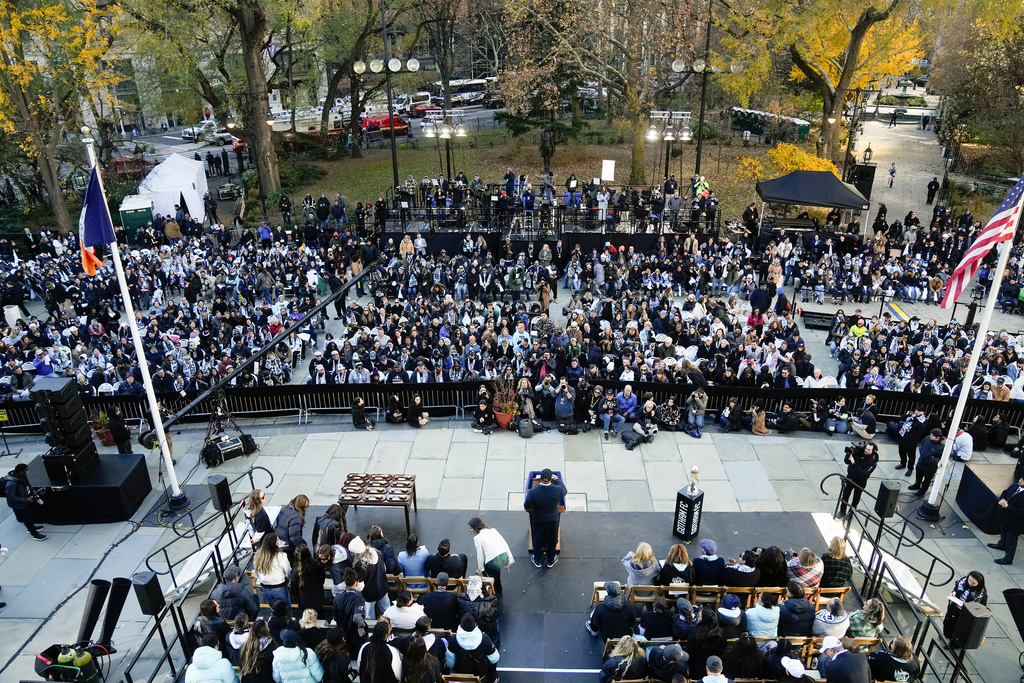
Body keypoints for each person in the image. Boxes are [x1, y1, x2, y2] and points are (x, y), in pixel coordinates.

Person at [523, 468, 566, 568]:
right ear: (551, 479)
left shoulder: (533, 492)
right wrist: (558, 480)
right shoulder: (557, 490)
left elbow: (527, 506)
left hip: (538, 520)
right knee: (552, 539)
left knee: (538, 539)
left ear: (541, 478)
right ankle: (551, 560)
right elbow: (564, 490)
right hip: (552, 520)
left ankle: (537, 560)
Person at [446, 613, 499, 683]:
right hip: (479, 673)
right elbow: (495, 659)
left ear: (461, 625)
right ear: (475, 625)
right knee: (492, 659)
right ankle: (492, 680)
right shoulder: (485, 639)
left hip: (460, 672)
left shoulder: (453, 640)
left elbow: (450, 663)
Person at [468, 517, 513, 595]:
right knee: (496, 573)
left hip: (494, 562)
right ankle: (498, 587)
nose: (470, 531)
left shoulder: (477, 538)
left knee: (488, 575)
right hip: (503, 557)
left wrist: (480, 569)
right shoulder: (493, 530)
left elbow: (480, 556)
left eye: (471, 529)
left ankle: (492, 590)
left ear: (475, 528)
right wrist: (510, 559)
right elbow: (504, 544)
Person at [350, 536, 390, 619]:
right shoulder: (377, 553)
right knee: (386, 610)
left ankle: (371, 630)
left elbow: (360, 586)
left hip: (369, 593)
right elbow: (384, 568)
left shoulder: (359, 565)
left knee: (369, 615)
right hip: (382, 586)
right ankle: (388, 625)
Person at [331, 568, 367, 660]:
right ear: (356, 583)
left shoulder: (337, 597)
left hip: (342, 633)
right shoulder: (358, 599)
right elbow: (357, 618)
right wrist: (363, 625)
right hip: (354, 635)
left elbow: (335, 616)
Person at [5, 463, 45, 540]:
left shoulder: (22, 476)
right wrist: (26, 500)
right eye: (25, 471)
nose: (27, 472)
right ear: (20, 472)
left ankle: (31, 528)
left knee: (28, 517)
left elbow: (28, 484)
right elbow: (11, 498)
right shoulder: (11, 484)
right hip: (17, 504)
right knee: (27, 518)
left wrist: (33, 492)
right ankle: (35, 534)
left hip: (23, 500)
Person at [838, 441, 878, 518]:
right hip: (850, 478)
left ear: (873, 451)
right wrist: (849, 454)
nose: (866, 450)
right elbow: (846, 461)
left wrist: (853, 463)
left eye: (869, 449)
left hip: (860, 482)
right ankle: (842, 512)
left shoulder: (872, 463)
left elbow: (863, 474)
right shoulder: (858, 453)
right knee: (845, 496)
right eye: (866, 448)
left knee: (856, 498)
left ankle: (851, 513)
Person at [991, 477, 1024, 565]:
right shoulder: (1015, 486)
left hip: (1016, 522)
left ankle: (1008, 558)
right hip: (1006, 517)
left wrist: (1007, 506)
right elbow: (1005, 492)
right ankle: (1002, 544)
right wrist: (1002, 499)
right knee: (1003, 531)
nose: (1020, 480)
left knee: (1011, 540)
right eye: (1021, 478)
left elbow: (1021, 512)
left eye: (1023, 480)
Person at [943, 571, 987, 638]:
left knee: (958, 627)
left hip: (966, 612)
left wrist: (965, 608)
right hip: (955, 605)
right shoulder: (963, 581)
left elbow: (979, 606)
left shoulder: (980, 593)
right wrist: (954, 592)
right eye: (969, 580)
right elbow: (956, 587)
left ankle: (953, 641)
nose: (970, 583)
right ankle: (946, 635)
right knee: (948, 621)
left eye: (973, 583)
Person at [254, 533, 291, 609]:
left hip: (265, 587)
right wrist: (288, 581)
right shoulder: (281, 556)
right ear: (274, 544)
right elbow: (288, 571)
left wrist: (262, 580)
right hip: (279, 586)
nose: (279, 541)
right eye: (277, 540)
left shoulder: (258, 555)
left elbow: (256, 571)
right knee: (285, 609)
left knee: (274, 608)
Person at [458, 575, 499, 642]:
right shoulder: (490, 601)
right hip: (485, 629)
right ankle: (494, 639)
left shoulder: (462, 601)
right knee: (495, 620)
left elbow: (460, 615)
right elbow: (493, 617)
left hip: (468, 628)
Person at [274, 495, 309, 561]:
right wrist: (302, 545)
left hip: (279, 539)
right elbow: (294, 536)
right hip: (288, 544)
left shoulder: (285, 509)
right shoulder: (297, 517)